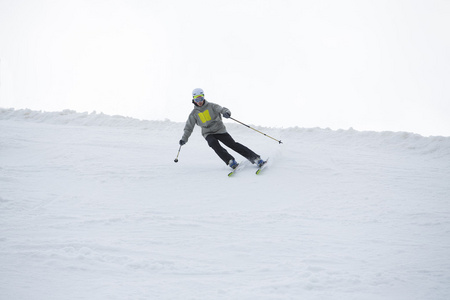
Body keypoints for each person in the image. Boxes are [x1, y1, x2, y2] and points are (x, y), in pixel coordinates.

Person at [179, 88, 264, 169]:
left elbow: (223, 109)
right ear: (193, 100)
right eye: (197, 99)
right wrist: (184, 139)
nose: (199, 101)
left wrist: (226, 113)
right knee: (213, 143)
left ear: (203, 97)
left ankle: (255, 158)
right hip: (207, 133)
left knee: (232, 144)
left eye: (201, 98)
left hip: (219, 130)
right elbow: (188, 128)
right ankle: (230, 161)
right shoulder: (193, 114)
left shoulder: (212, 106)